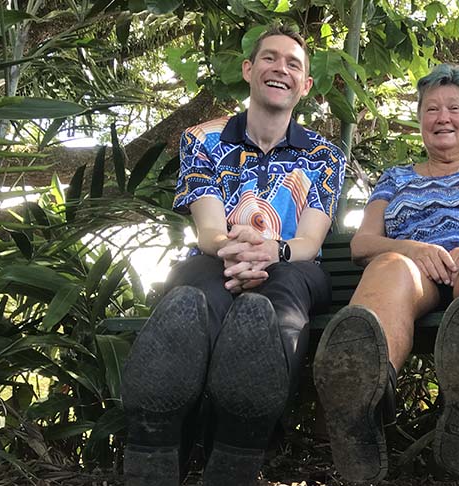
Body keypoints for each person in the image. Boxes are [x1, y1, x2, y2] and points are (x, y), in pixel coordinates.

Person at [120, 24, 346, 486]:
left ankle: (239, 443)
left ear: (305, 86)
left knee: (273, 302)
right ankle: (156, 439)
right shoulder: (202, 139)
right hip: (217, 256)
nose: (280, 68)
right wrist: (237, 251)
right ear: (248, 69)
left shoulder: (325, 155)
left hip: (294, 264)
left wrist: (271, 250)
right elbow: (208, 230)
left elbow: (308, 242)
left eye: (293, 64)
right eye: (270, 58)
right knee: (196, 294)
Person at [312, 63, 459, 482]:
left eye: (454, 108)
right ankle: (362, 402)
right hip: (417, 275)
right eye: (431, 110)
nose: (443, 118)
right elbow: (363, 243)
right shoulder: (395, 178)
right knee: (389, 265)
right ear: (419, 121)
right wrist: (412, 248)